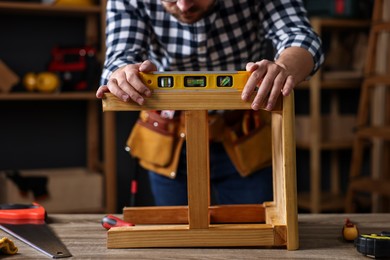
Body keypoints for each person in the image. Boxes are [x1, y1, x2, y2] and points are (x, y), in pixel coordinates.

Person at [96, 0, 324, 206]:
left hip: (245, 136)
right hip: (169, 137)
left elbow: (299, 35)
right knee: (178, 244)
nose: (184, 6)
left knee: (253, 246)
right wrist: (122, 74)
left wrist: (284, 68)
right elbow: (120, 55)